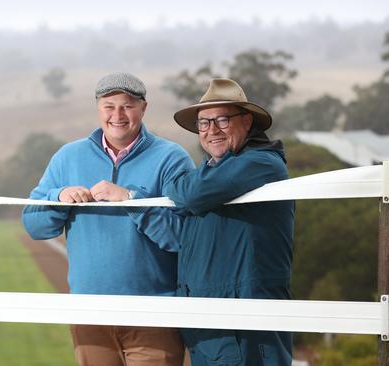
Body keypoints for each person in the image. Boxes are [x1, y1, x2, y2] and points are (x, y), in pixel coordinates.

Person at [22, 72, 194, 366]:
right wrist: (58, 197)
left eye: (127, 105)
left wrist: (132, 200)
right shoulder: (68, 157)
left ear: (144, 108)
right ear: (98, 108)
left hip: (153, 314)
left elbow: (185, 238)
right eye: (109, 105)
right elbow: (34, 226)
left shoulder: (171, 158)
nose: (118, 115)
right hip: (89, 312)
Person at [124, 78, 295, 365]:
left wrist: (150, 192)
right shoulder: (218, 168)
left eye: (222, 120)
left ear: (247, 121)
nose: (211, 130)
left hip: (241, 319)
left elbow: (188, 192)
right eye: (204, 123)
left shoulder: (260, 162)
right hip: (210, 317)